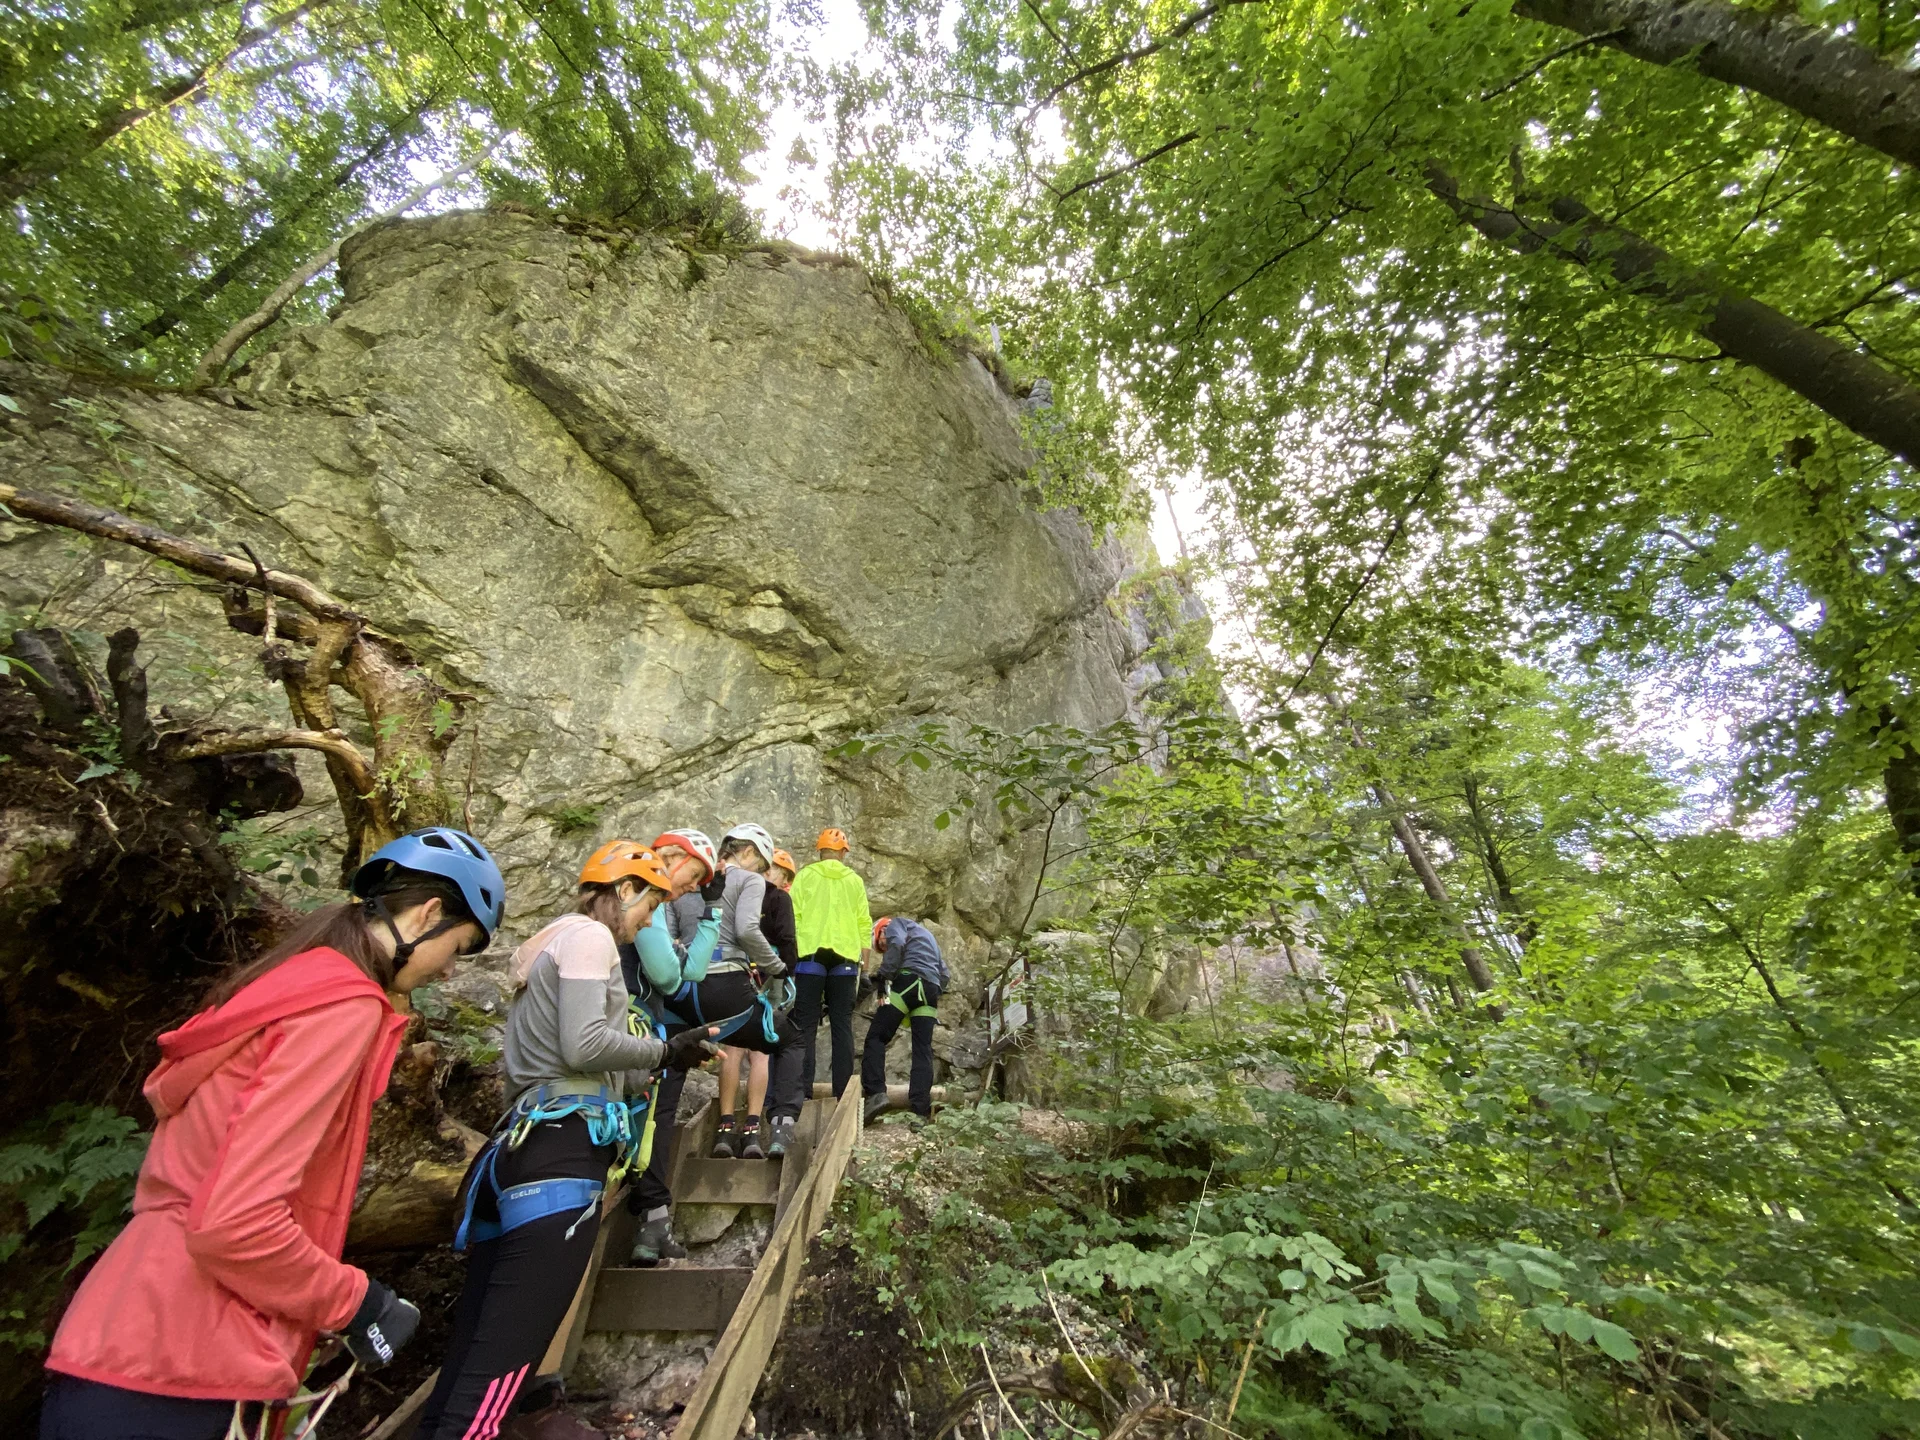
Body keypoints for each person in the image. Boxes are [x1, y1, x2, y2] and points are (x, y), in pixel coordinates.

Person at [41, 827, 507, 1440]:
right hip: (190, 1366)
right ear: (427, 914)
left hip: (120, 1340)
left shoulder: (287, 985)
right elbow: (236, 1222)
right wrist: (357, 1302)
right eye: (459, 946)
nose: (449, 971)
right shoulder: (338, 1010)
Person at [417, 842, 718, 1439]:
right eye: (651, 904)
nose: (650, 921)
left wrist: (643, 1066)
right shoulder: (589, 937)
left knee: (473, 1360)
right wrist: (666, 1049)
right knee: (500, 1377)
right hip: (562, 1153)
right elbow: (584, 1044)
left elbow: (563, 1053)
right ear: (626, 890)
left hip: (521, 1144)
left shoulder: (549, 941)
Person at [623, 828, 721, 1264]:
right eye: (692, 875)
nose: (690, 889)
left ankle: (653, 1222)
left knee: (658, 1115)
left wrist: (713, 914)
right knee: (646, 1115)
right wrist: (676, 957)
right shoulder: (646, 897)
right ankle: (651, 1219)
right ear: (670, 857)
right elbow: (666, 975)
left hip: (647, 1021)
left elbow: (694, 972)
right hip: (631, 1021)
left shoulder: (660, 906)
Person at [685, 823, 808, 1158]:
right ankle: (759, 1128)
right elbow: (747, 930)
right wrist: (777, 967)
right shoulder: (749, 880)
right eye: (762, 865)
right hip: (729, 978)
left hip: (685, 986)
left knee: (729, 1048)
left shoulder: (696, 880)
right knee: (777, 1040)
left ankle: (725, 1128)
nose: (763, 873)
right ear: (750, 852)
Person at [714, 850, 797, 1160]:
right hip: (769, 970)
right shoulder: (777, 898)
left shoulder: (731, 888)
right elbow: (787, 937)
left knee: (732, 1047)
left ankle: (725, 1127)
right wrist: (787, 971)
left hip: (735, 969)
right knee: (760, 1051)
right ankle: (751, 1129)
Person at [788, 828, 873, 1100]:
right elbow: (863, 922)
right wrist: (865, 961)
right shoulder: (854, 881)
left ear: (820, 850)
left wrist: (793, 952)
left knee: (806, 1025)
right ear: (843, 853)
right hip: (846, 959)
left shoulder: (805, 876)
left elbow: (794, 915)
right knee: (842, 1024)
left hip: (810, 955)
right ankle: (843, 1094)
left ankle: (802, 1093)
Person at [862, 916, 949, 1123]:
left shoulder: (896, 924)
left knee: (876, 1037)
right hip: (930, 989)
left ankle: (876, 1094)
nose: (883, 948)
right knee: (922, 1049)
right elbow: (944, 974)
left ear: (882, 929)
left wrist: (884, 975)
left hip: (908, 981)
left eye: (880, 943)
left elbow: (897, 943)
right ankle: (920, 1112)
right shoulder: (927, 937)